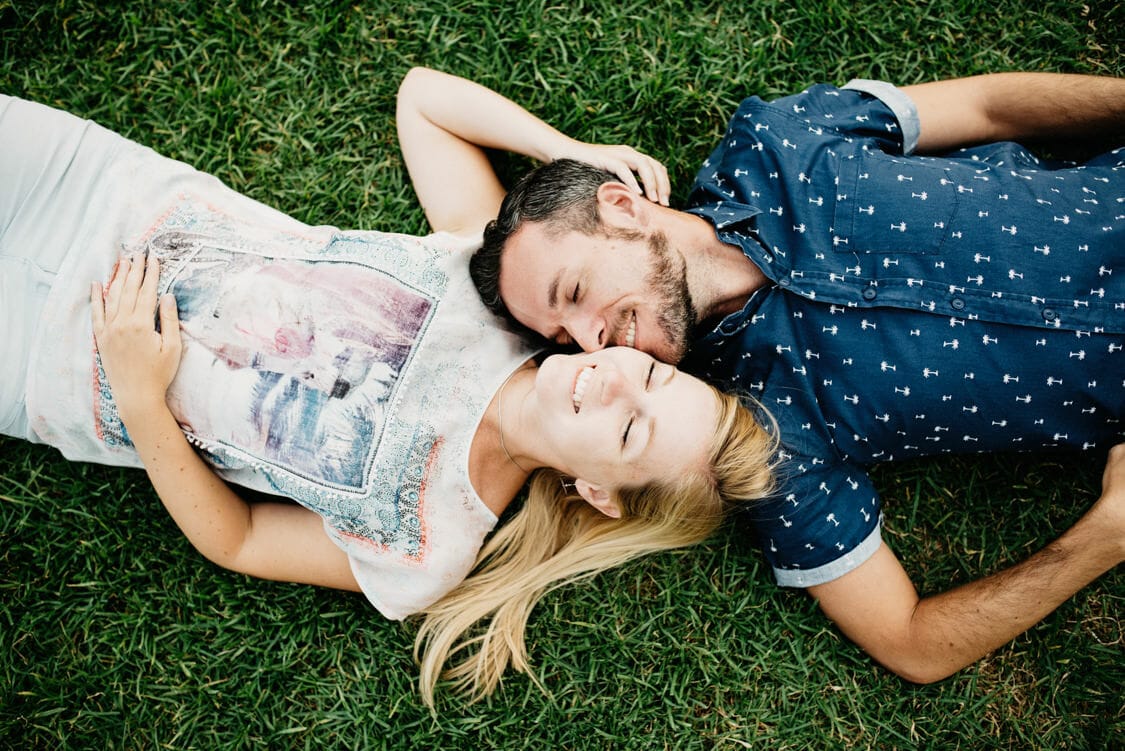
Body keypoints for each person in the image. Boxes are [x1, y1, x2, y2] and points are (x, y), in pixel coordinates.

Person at [0, 69, 778, 706]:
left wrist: (141, 401)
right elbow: (425, 101)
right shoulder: (507, 300)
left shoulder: (428, 549)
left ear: (598, 491)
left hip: (47, 367)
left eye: (629, 430)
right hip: (90, 189)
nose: (612, 382)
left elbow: (238, 539)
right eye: (646, 373)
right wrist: (572, 156)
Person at [468, 71, 1125, 683]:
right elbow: (909, 641)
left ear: (622, 208)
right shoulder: (757, 436)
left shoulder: (776, 140)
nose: (588, 341)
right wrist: (1104, 533)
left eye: (574, 291)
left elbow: (986, 106)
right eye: (561, 339)